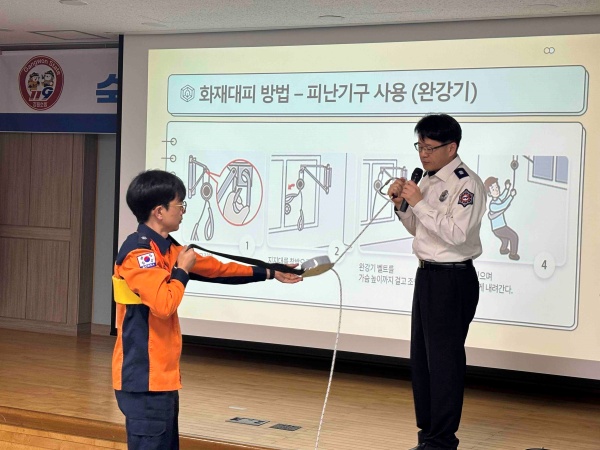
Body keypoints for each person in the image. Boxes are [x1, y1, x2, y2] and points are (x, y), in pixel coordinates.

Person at [112, 169, 302, 449]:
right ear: (159, 212)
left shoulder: (168, 249)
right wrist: (182, 271)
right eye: (179, 204)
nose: (183, 211)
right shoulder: (139, 254)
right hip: (143, 379)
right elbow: (164, 304)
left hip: (162, 379)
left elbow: (218, 269)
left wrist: (271, 272)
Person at [387, 114, 486, 450]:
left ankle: (442, 440)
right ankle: (428, 436)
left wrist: (418, 202)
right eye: (420, 146)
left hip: (452, 278)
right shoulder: (427, 181)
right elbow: (420, 230)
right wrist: (403, 206)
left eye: (429, 147)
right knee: (423, 361)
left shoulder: (466, 184)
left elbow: (457, 235)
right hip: (427, 274)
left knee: (444, 363)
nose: (423, 154)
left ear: (451, 147)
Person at [483, 176, 520, 260]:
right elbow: (503, 205)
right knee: (514, 236)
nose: (496, 190)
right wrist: (511, 196)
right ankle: (513, 254)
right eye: (493, 189)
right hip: (499, 228)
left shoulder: (497, 199)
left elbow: (502, 196)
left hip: (500, 227)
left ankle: (503, 250)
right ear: (489, 193)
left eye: (497, 187)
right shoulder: (492, 205)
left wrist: (507, 188)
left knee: (505, 240)